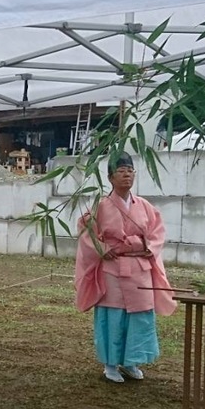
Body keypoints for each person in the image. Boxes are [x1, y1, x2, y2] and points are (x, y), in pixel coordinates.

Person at [73, 152, 178, 383]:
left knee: (140, 316)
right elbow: (85, 230)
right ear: (110, 177)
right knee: (113, 316)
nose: (126, 175)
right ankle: (110, 364)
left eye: (130, 171)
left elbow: (157, 233)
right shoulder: (100, 206)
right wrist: (101, 248)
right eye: (121, 171)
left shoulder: (145, 206)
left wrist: (146, 245)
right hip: (113, 268)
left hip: (139, 269)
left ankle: (132, 361)